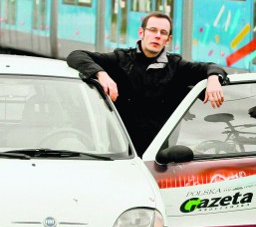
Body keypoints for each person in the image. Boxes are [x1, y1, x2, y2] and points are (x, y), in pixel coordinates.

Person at [67, 12, 227, 155]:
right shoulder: (121, 60)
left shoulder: (175, 66)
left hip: (159, 155)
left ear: (168, 39)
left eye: (163, 32)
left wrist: (213, 78)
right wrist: (101, 74)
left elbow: (212, 67)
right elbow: (76, 55)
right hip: (123, 153)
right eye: (152, 30)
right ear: (141, 32)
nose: (157, 36)